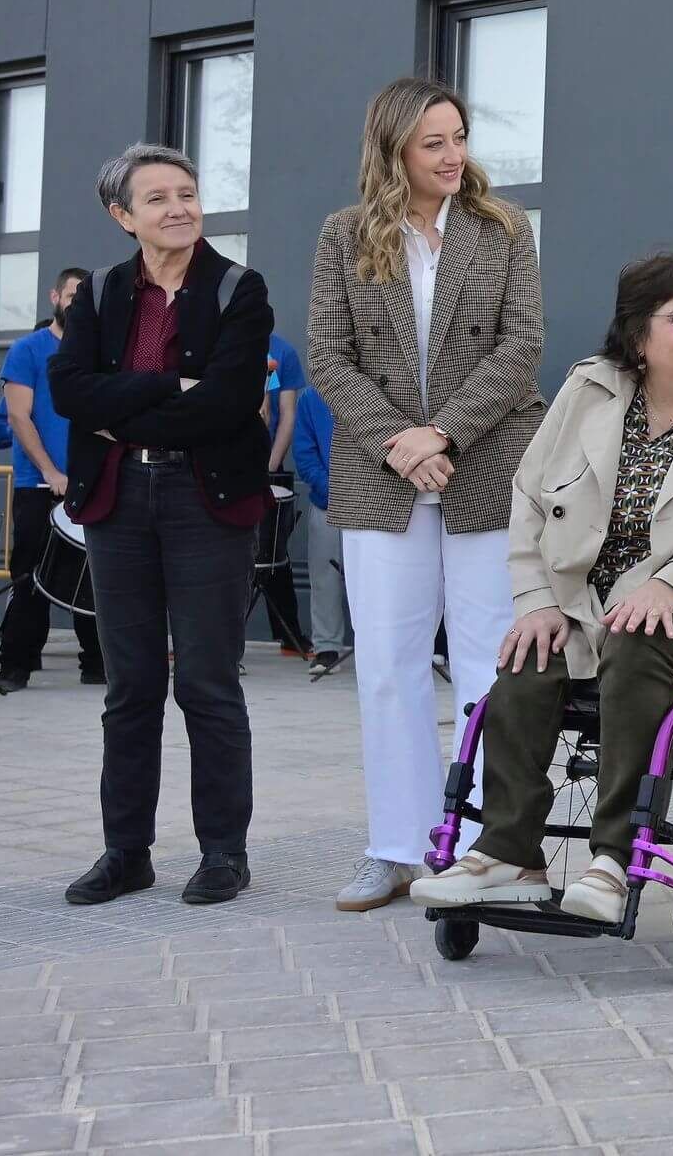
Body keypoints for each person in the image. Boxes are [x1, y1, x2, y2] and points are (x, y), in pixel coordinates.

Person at [414, 254, 673, 919]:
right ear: (637, 337)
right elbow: (531, 497)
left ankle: (613, 858)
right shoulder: (590, 390)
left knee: (637, 641)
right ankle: (511, 853)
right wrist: (538, 600)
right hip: (594, 599)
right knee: (528, 653)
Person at [309, 76, 543, 913]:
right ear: (394, 151)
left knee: (490, 662)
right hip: (383, 475)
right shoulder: (344, 236)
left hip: (481, 462)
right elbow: (328, 357)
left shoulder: (503, 230)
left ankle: (491, 846)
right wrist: (398, 442)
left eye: (459, 137)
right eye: (433, 142)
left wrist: (440, 433)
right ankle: (397, 848)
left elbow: (521, 347)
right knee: (386, 665)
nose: (453, 156)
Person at [48, 144, 274, 906]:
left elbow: (231, 398)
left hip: (202, 497)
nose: (179, 207)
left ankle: (222, 852)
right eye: (158, 198)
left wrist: (126, 407)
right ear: (124, 216)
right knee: (131, 685)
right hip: (118, 501)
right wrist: (159, 383)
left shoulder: (240, 288)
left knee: (208, 681)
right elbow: (70, 389)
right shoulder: (103, 291)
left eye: (187, 191)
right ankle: (126, 851)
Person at [0, 268, 107, 693]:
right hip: (39, 487)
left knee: (95, 578)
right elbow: (18, 416)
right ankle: (15, 665)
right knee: (31, 577)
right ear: (54, 297)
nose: (77, 302)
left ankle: (96, 664)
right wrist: (49, 470)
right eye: (71, 294)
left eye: (85, 297)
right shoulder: (27, 350)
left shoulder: (96, 354)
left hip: (92, 486)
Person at [289, 384, 350, 673]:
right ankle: (327, 647)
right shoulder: (311, 398)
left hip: (376, 504)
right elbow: (304, 452)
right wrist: (331, 489)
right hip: (327, 503)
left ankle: (384, 649)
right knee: (324, 577)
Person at [258, 332, 311, 657]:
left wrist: (271, 465)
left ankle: (288, 635)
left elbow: (286, 414)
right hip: (224, 466)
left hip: (268, 465)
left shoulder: (281, 351)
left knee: (273, 552)